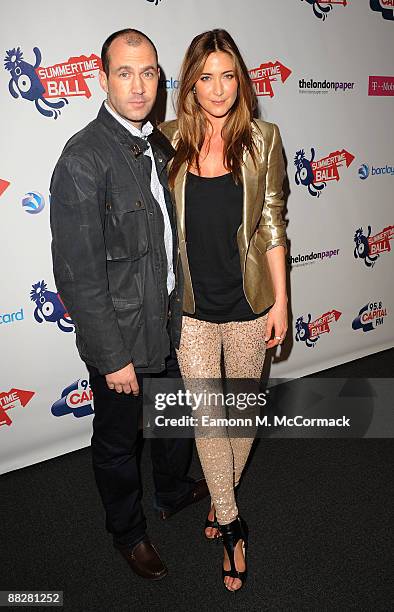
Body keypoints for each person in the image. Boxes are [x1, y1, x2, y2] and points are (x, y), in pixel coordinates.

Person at [50, 28, 208, 581]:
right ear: (103, 78)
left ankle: (170, 491)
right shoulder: (82, 158)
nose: (139, 86)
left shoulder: (158, 145)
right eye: (125, 72)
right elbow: (77, 275)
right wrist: (111, 355)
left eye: (149, 73)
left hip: (166, 323)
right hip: (119, 339)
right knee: (119, 443)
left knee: (173, 421)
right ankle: (128, 533)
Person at [159, 28, 288, 591]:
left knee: (241, 418)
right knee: (210, 420)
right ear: (190, 84)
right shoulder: (166, 143)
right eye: (205, 77)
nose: (217, 88)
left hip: (248, 306)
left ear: (241, 80)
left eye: (227, 75)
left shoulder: (264, 138)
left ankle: (218, 495)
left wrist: (281, 301)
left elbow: (273, 226)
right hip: (191, 311)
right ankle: (232, 524)